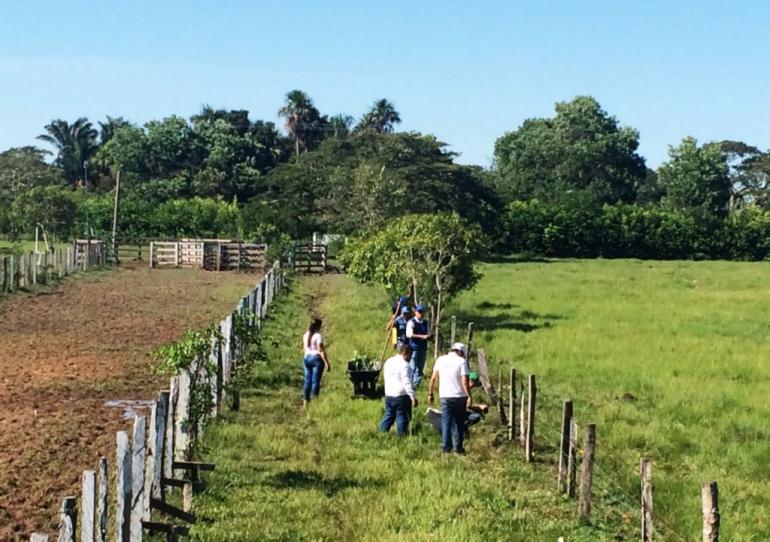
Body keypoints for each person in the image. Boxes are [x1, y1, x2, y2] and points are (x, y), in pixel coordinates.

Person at [428, 342, 472, 454]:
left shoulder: (440, 360)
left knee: (446, 422)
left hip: (445, 396)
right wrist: (469, 396)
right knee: (459, 423)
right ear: (461, 352)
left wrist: (430, 394)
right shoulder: (462, 361)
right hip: (459, 396)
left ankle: (446, 448)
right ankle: (458, 448)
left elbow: (433, 378)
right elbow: (464, 381)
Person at [379, 344, 418, 436]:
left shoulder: (389, 361)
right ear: (406, 353)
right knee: (402, 417)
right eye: (410, 356)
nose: (410, 358)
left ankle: (381, 433)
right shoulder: (405, 365)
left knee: (389, 415)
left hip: (389, 394)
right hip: (401, 396)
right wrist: (413, 397)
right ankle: (401, 437)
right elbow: (406, 382)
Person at [302, 318, 331, 407]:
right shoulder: (318, 336)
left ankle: (306, 401)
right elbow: (320, 350)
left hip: (307, 358)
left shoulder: (306, 335)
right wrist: (327, 363)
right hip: (316, 359)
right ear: (318, 326)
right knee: (315, 381)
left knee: (307, 381)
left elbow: (305, 349)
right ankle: (315, 401)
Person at [406, 303, 431, 387]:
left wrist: (429, 336)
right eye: (419, 312)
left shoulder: (425, 323)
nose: (421, 314)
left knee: (420, 368)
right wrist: (422, 336)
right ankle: (410, 385)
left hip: (423, 348)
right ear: (415, 312)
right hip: (414, 348)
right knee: (412, 367)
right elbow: (409, 334)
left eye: (422, 312)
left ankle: (416, 385)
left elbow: (428, 332)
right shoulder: (411, 322)